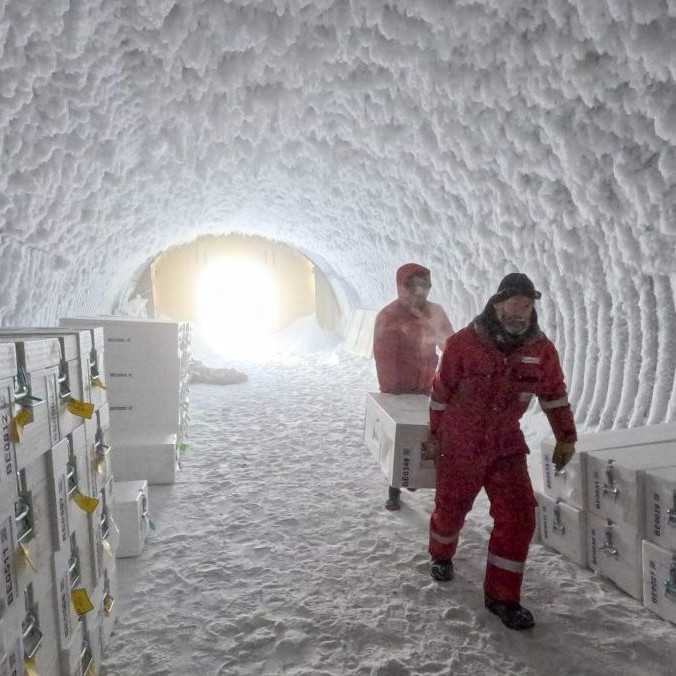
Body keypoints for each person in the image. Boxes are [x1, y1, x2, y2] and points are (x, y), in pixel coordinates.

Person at [424, 272, 576, 630]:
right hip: (460, 442)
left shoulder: (540, 351)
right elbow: (441, 392)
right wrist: (435, 435)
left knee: (520, 515)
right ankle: (441, 554)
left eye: (526, 305)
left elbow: (554, 394)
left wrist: (566, 435)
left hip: (505, 444)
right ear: (496, 304)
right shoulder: (464, 343)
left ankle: (502, 598)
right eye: (513, 304)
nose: (519, 312)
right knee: (451, 508)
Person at [373, 263, 453, 511]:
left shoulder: (434, 313)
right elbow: (385, 358)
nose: (420, 292)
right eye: (414, 286)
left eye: (424, 285)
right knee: (400, 438)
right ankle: (394, 489)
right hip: (399, 389)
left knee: (429, 436)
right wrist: (393, 392)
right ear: (402, 287)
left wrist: (453, 375)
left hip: (427, 387)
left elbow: (450, 345)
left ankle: (422, 480)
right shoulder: (389, 316)